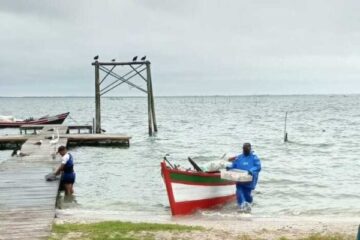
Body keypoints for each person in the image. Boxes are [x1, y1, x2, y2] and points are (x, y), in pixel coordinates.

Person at [227, 143, 261, 213]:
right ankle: (242, 207)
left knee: (247, 195)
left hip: (249, 180)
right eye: (244, 149)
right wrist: (229, 167)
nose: (245, 151)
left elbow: (258, 167)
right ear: (243, 149)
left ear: (250, 149)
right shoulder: (239, 157)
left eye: (247, 149)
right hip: (240, 179)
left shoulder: (254, 157)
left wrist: (251, 170)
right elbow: (234, 165)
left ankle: (248, 206)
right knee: (239, 192)